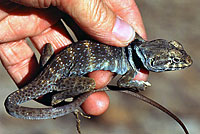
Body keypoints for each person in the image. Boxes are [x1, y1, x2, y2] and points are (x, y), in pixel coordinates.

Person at [0, 0, 148, 116]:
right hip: (54, 79)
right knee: (90, 84)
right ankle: (58, 98)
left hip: (53, 69)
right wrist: (138, 85)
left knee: (50, 50)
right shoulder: (131, 47)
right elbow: (124, 82)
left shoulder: (134, 45)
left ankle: (59, 96)